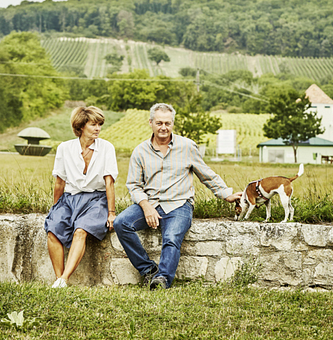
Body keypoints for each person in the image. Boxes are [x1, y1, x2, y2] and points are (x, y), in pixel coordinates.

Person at [114, 103, 242, 289]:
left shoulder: (187, 146)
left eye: (167, 123)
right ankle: (148, 270)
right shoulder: (140, 151)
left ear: (173, 123)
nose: (163, 127)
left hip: (179, 204)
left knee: (171, 237)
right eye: (159, 123)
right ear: (151, 123)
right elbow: (134, 186)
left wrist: (226, 194)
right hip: (150, 203)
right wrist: (146, 207)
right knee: (121, 223)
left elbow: (206, 174)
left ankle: (163, 279)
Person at [45, 106, 118, 288]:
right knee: (53, 230)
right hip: (70, 198)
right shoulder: (65, 148)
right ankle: (58, 279)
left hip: (96, 199)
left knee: (81, 231)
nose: (98, 128)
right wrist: (56, 207)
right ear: (81, 126)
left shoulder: (107, 148)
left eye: (99, 124)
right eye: (93, 124)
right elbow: (60, 182)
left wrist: (111, 212)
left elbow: (109, 182)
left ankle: (64, 279)